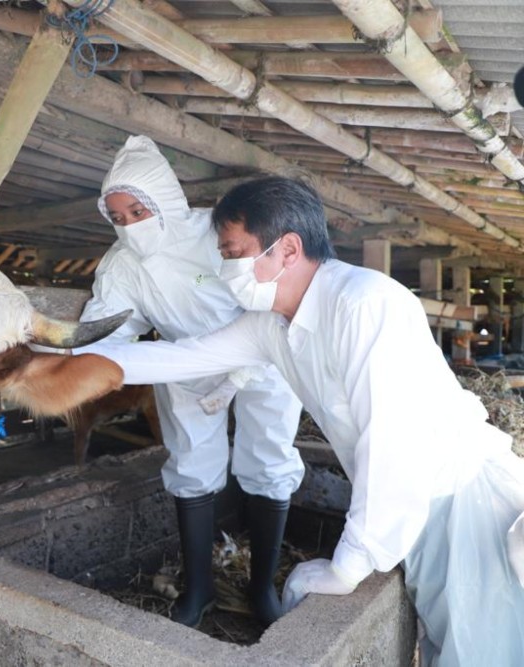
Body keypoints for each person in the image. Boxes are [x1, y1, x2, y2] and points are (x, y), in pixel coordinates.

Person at [86, 176, 524, 665]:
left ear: (288, 249)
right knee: (446, 640)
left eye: (233, 253)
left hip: (462, 501)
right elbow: (184, 357)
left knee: (481, 650)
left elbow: (393, 441)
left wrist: (350, 564)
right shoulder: (271, 323)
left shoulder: (364, 304)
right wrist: (79, 363)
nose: (225, 268)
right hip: (421, 508)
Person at [76, 136, 304, 627]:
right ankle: (199, 590)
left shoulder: (213, 232)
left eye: (138, 211)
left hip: (262, 355)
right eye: (117, 218)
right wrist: (69, 355)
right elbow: (107, 326)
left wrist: (238, 373)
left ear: (163, 199)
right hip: (185, 364)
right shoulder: (121, 264)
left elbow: (265, 295)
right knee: (191, 465)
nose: (130, 226)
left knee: (269, 456)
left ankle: (261, 586)